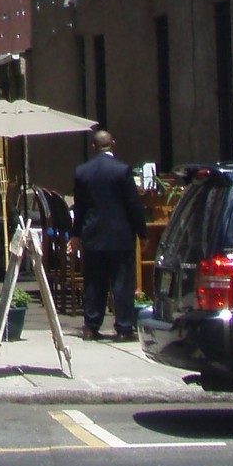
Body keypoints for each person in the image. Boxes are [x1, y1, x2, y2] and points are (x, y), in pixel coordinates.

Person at [72, 128, 146, 340]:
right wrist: (142, 233)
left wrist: (76, 234)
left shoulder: (82, 172)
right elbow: (133, 204)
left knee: (94, 282)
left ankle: (91, 326)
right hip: (120, 235)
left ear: (94, 147)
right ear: (113, 143)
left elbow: (80, 207)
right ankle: (123, 327)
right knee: (122, 283)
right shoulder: (122, 170)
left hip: (93, 234)